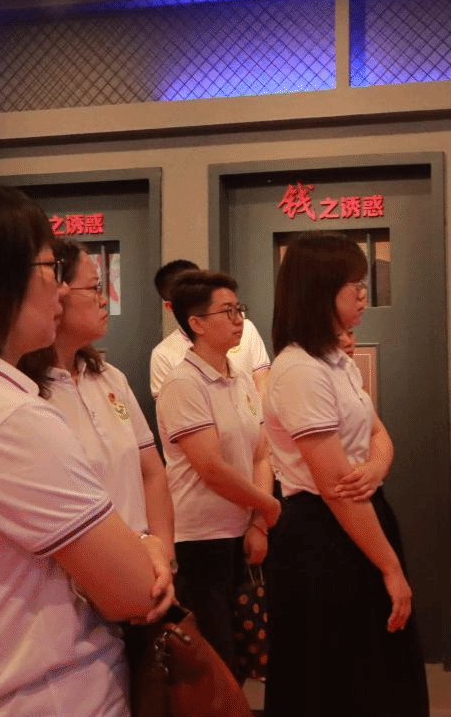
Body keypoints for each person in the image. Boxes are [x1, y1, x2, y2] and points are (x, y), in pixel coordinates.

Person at [0, 183, 171, 716]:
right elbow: (133, 591)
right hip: (46, 694)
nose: (61, 291)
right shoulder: (8, 416)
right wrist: (147, 550)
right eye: (50, 268)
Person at [262, 232, 428, 717]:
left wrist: (374, 468)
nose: (363, 296)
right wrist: (391, 568)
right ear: (319, 291)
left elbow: (379, 433)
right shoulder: (299, 370)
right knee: (337, 674)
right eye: (354, 286)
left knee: (374, 665)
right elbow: (335, 488)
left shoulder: (336, 362)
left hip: (361, 517)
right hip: (322, 535)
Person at [18, 238, 176, 571]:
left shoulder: (109, 377)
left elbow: (152, 472)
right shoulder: (25, 391)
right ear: (56, 292)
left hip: (142, 565)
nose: (103, 300)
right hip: (78, 577)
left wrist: (163, 552)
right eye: (94, 288)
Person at [155, 269, 279, 677]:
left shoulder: (240, 378)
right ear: (197, 323)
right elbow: (210, 469)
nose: (239, 319)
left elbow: (261, 454)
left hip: (241, 533)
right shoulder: (182, 383)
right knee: (215, 661)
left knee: (243, 655)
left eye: (239, 309)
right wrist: (267, 505)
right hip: (200, 539)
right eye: (228, 311)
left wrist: (258, 521)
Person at [150, 259, 270, 399]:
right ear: (170, 306)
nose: (238, 320)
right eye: (226, 310)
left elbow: (262, 386)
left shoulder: (245, 331)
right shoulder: (165, 357)